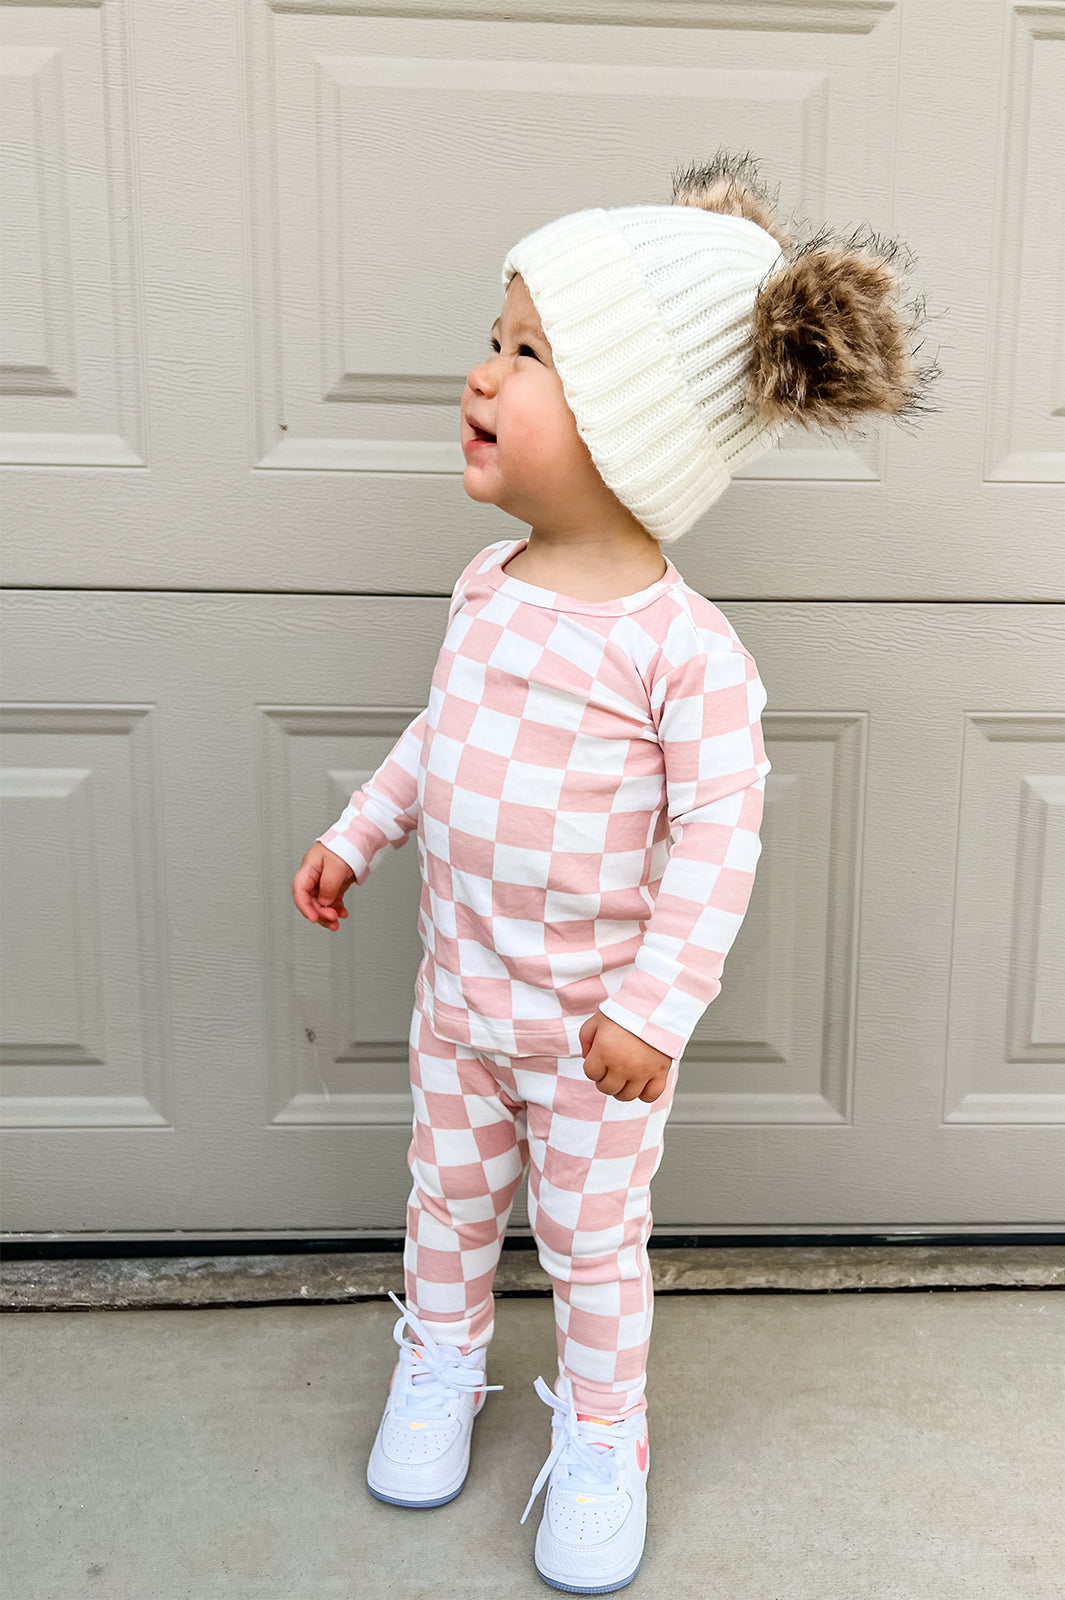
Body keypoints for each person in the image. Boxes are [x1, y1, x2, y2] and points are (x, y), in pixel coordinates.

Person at [291, 148, 939, 1594]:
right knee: (446, 1202)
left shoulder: (684, 654)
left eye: (530, 353)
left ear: (635, 425)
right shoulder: (485, 589)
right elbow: (442, 734)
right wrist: (363, 828)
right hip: (460, 1004)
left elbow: (719, 838)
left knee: (593, 1248)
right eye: (496, 336)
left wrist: (656, 1008)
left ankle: (602, 1432)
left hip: (594, 1038)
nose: (483, 372)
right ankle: (441, 1361)